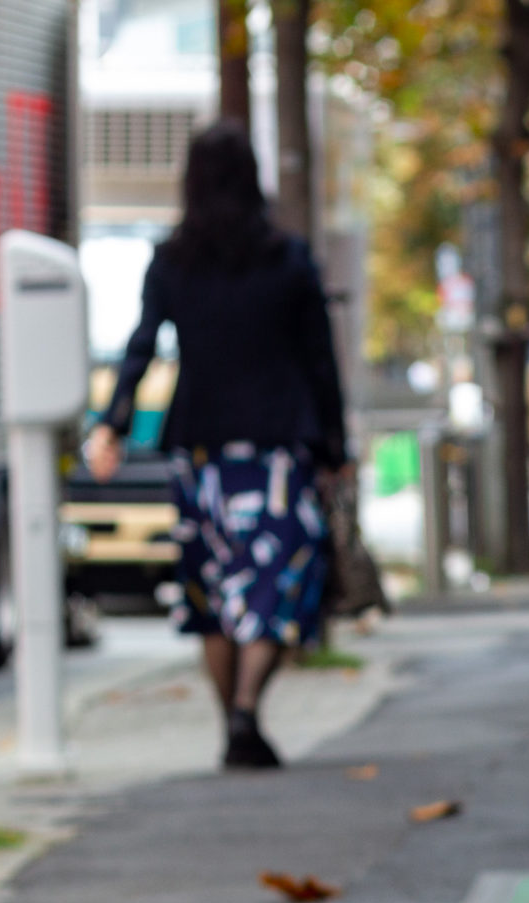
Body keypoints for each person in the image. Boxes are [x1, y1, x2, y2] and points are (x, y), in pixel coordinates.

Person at [84, 122, 348, 770]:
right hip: (278, 447)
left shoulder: (173, 261)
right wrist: (336, 446)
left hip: (199, 451)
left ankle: (229, 719)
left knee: (212, 592)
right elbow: (320, 360)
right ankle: (246, 709)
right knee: (275, 583)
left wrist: (112, 424)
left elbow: (141, 346)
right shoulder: (287, 258)